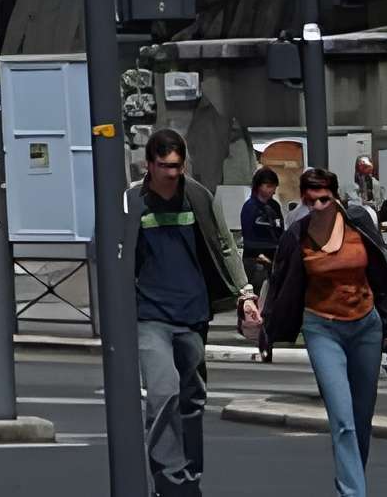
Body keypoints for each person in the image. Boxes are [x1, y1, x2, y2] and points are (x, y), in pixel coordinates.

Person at [126, 129, 260, 497]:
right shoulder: (133, 202)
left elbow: (224, 245)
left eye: (177, 166)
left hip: (193, 313)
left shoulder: (197, 196)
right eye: (164, 166)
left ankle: (190, 475)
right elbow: (114, 252)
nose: (172, 174)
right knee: (163, 392)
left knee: (192, 398)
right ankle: (171, 482)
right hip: (150, 314)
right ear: (149, 165)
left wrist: (244, 294)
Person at [262, 165, 387, 497]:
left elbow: (382, 278)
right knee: (342, 420)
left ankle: (354, 480)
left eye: (324, 200)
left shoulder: (359, 223)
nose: (318, 207)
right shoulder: (296, 235)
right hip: (322, 329)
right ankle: (352, 493)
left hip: (366, 326)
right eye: (311, 201)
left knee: (361, 418)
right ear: (303, 198)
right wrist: (265, 327)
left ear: (336, 196)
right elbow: (281, 286)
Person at [238, 169, 286, 365]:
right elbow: (249, 239)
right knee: (257, 304)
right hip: (256, 261)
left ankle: (267, 341)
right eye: (268, 186)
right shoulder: (250, 208)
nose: (272, 191)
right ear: (259, 186)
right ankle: (256, 335)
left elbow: (280, 231)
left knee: (271, 307)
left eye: (273, 187)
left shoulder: (274, 206)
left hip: (274, 260)